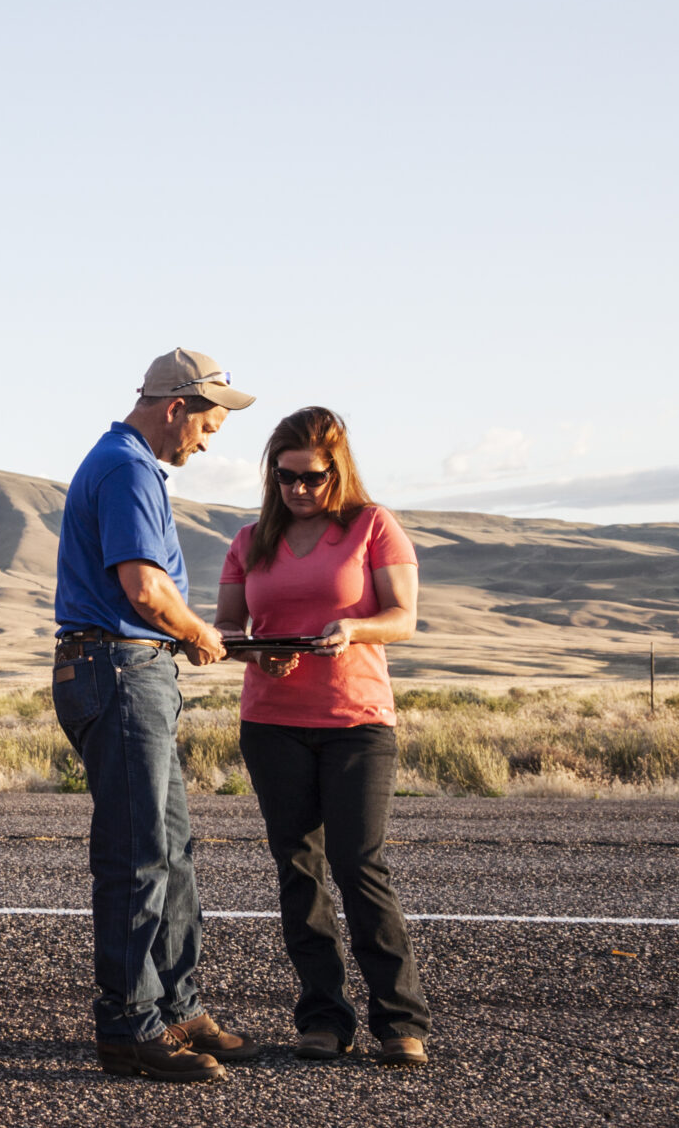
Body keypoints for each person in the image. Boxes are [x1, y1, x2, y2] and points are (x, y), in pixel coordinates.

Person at [53, 347, 255, 1083]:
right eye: (207, 424)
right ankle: (129, 1024)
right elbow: (143, 586)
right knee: (138, 853)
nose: (207, 441)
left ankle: (176, 1004)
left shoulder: (126, 464)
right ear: (176, 406)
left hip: (129, 669)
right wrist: (199, 632)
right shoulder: (129, 467)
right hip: (119, 668)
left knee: (169, 848)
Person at [216, 406, 433, 1069]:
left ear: (338, 469)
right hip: (273, 723)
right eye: (284, 477)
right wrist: (256, 653)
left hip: (356, 722)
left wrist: (353, 628)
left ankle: (399, 1020)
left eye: (310, 477)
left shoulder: (372, 526)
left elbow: (403, 616)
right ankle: (321, 1017)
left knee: (358, 863)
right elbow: (226, 630)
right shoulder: (250, 540)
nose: (298, 490)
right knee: (298, 869)